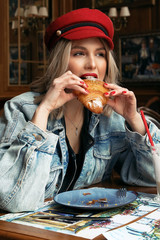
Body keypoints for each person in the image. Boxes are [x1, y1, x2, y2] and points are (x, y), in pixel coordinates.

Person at [0, 8, 159, 213]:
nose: (92, 63)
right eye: (79, 53)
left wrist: (133, 119)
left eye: (100, 54)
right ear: (61, 60)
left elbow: (153, 178)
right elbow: (13, 199)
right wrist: (45, 109)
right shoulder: (21, 110)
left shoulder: (111, 118)